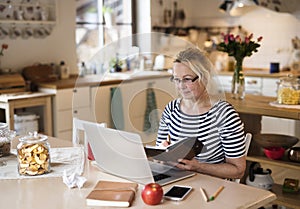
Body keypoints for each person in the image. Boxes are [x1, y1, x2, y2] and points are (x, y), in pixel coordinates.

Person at [156, 47, 246, 179]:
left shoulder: (224, 114)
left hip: (212, 186)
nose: (181, 86)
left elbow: (238, 171)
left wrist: (198, 167)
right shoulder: (171, 109)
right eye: (176, 79)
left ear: (204, 77)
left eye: (187, 79)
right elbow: (160, 151)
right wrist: (162, 155)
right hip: (177, 180)